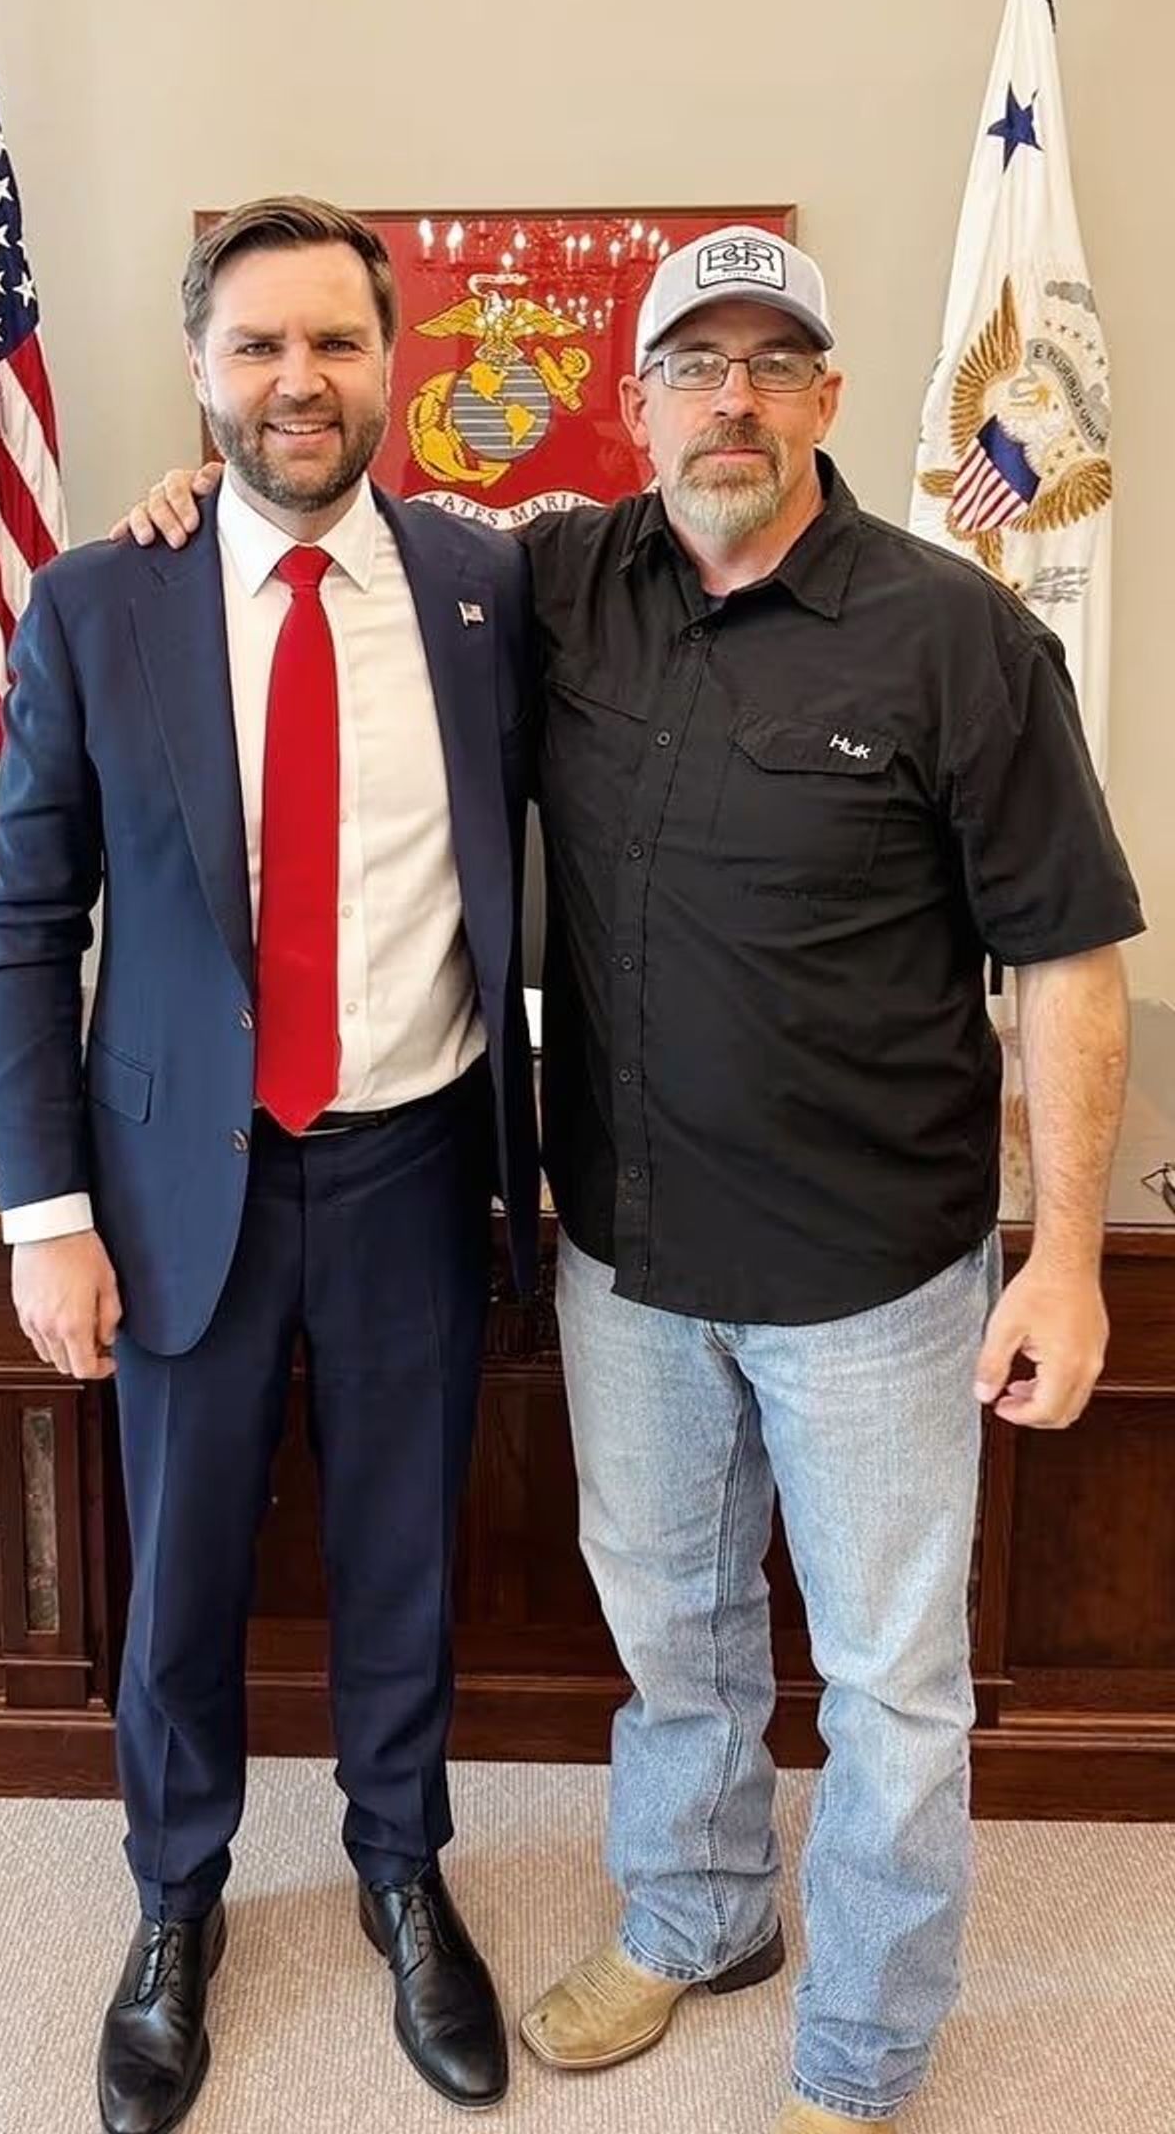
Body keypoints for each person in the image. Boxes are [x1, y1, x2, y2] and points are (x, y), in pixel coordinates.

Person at [118, 221, 1142, 2133]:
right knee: (672, 1637)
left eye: (773, 367)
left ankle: (861, 2049)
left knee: (894, 1692)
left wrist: (1065, 1253)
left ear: (831, 398)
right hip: (628, 1259)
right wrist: (208, 488)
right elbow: (325, 507)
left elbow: (1072, 959)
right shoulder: (556, 580)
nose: (731, 402)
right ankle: (694, 1918)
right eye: (695, 365)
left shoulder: (958, 635)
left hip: (877, 1276)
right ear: (636, 400)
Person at [0, 196, 540, 2134]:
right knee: (183, 1571)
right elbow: (26, 924)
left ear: (396, 362)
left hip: (411, 1165)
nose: (301, 378)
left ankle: (401, 1865)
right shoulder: (97, 600)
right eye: (260, 347)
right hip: (170, 1185)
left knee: (406, 1552)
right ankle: (177, 1898)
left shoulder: (488, 589)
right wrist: (47, 1207)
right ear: (204, 374)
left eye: (337, 342)